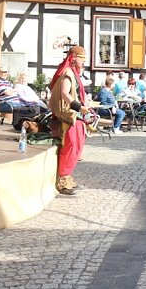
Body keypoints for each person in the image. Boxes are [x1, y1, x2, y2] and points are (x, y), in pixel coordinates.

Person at [49, 45, 89, 195]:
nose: (84, 62)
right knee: (71, 145)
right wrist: (79, 107)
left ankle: (68, 177)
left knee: (78, 145)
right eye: (82, 59)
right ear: (73, 59)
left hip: (75, 115)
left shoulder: (74, 73)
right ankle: (63, 181)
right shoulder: (67, 73)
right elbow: (65, 93)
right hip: (69, 116)